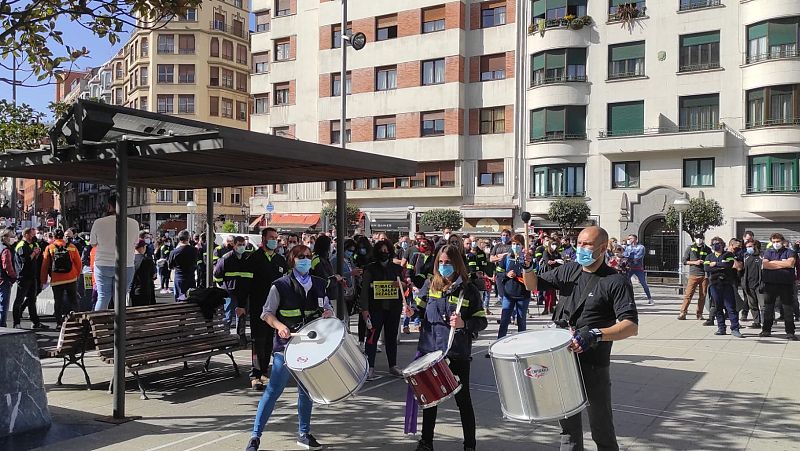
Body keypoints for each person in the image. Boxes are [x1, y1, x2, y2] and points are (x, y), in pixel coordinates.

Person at [523, 226, 638, 451]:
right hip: (561, 360)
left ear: (603, 248)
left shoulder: (615, 280)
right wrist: (528, 267)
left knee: (601, 428)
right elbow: (533, 285)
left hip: (593, 363)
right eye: (579, 243)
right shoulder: (569, 270)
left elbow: (630, 326)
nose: (581, 248)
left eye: (587, 244)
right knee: (568, 430)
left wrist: (595, 334)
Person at [246, 244, 332, 451]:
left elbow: (327, 308)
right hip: (285, 346)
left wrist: (328, 314)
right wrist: (279, 325)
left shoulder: (320, 284)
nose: (305, 259)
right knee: (274, 390)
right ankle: (255, 436)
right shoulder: (280, 285)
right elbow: (266, 313)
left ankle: (304, 434)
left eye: (308, 256)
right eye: (300, 256)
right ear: (292, 260)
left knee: (306, 391)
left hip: (311, 346)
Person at [411, 245, 487, 451]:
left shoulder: (468, 290)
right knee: (430, 402)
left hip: (457, 353)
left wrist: (465, 324)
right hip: (431, 352)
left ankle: (469, 445)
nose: (444, 266)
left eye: (448, 263)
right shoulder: (431, 285)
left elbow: (481, 321)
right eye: (441, 263)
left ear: (457, 264)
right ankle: (426, 442)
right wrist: (411, 312)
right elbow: (419, 308)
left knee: (463, 401)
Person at [247, 227, 287, 390]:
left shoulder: (280, 260)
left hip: (275, 310)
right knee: (258, 340)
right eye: (271, 237)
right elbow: (246, 284)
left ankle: (264, 371)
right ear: (263, 239)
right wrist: (242, 305)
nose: (274, 241)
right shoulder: (254, 258)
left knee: (270, 341)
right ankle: (255, 374)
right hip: (258, 307)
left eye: (276, 238)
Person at [359, 239, 405, 380]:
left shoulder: (397, 269)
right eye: (381, 250)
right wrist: (364, 309)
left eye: (386, 250)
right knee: (372, 338)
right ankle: (370, 367)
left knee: (391, 338)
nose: (384, 253)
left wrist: (401, 284)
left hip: (393, 309)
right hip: (375, 309)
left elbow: (405, 285)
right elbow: (365, 290)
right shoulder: (370, 269)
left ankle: (393, 366)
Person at [90, 195, 139, 310]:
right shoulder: (134, 223)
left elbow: (92, 243)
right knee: (120, 299)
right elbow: (135, 243)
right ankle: (120, 326)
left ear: (109, 206)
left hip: (103, 264)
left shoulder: (98, 222)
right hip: (125, 264)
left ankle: (99, 325)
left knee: (103, 297)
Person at [214, 236, 253, 344]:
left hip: (244, 292)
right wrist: (223, 286)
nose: (241, 247)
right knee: (227, 316)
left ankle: (241, 336)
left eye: (243, 245)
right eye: (239, 245)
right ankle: (224, 338)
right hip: (230, 292)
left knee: (242, 315)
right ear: (234, 245)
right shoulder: (226, 258)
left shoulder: (248, 259)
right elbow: (217, 274)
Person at [40, 229, 82, 327]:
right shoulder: (71, 247)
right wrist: (77, 275)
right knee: (73, 300)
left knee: (58, 301)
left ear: (54, 237)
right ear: (63, 236)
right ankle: (74, 320)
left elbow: (45, 265)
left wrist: (43, 280)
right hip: (71, 278)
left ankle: (59, 323)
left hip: (56, 280)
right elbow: (78, 263)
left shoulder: (50, 248)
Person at [759, 233, 797, 340]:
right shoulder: (768, 252)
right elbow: (765, 265)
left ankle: (790, 332)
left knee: (787, 308)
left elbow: (790, 264)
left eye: (778, 241)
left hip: (786, 284)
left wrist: (773, 263)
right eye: (774, 241)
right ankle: (766, 330)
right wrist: (781, 263)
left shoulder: (790, 252)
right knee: (768, 308)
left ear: (782, 241)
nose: (776, 243)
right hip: (770, 284)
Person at [704, 237, 744, 338]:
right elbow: (706, 268)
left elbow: (729, 265)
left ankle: (735, 329)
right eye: (714, 244)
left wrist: (715, 264)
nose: (716, 245)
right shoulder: (709, 256)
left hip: (726, 284)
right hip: (714, 285)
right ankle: (721, 328)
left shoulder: (728, 255)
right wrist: (720, 266)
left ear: (722, 245)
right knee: (718, 307)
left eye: (718, 243)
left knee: (731, 307)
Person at [495, 234, 531, 342]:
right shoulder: (506, 257)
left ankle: (522, 345)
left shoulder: (526, 258)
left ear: (522, 245)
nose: (515, 246)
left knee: (521, 321)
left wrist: (526, 267)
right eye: (514, 244)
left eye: (518, 244)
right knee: (504, 320)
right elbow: (498, 272)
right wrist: (506, 274)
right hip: (508, 294)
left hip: (523, 295)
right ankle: (499, 344)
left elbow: (533, 274)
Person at [12, 227, 48, 329]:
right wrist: (34, 253)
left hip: (33, 276)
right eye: (32, 234)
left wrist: (37, 253)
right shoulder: (21, 245)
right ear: (26, 235)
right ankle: (16, 322)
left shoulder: (32, 244)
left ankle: (35, 322)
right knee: (19, 300)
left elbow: (35, 259)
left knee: (32, 300)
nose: (34, 236)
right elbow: (25, 260)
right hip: (23, 277)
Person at [678, 233, 711, 320]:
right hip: (693, 274)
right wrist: (694, 262)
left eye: (700, 238)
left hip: (704, 275)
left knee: (703, 295)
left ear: (703, 239)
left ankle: (699, 314)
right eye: (697, 238)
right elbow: (684, 260)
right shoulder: (690, 248)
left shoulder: (707, 249)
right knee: (688, 294)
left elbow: (710, 260)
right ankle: (683, 312)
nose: (699, 240)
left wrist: (704, 262)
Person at [623, 234, 653, 305]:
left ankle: (650, 298)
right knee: (625, 283)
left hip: (638, 268)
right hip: (629, 268)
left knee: (643, 283)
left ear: (636, 239)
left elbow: (638, 256)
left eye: (631, 238)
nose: (629, 240)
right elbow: (625, 255)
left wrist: (629, 256)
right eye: (629, 239)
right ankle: (627, 299)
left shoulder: (641, 247)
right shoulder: (628, 247)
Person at [168, 230, 197, 302]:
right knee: (191, 298)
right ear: (189, 238)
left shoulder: (174, 252)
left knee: (181, 298)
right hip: (191, 277)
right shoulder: (194, 250)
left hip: (179, 278)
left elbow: (170, 266)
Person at [741, 240, 763, 329]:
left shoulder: (761, 256)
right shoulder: (746, 256)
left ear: (755, 246)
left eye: (750, 246)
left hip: (760, 285)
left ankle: (766, 323)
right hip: (749, 285)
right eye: (747, 247)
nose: (748, 248)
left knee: (763, 305)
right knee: (752, 305)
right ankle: (756, 322)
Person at [0, 228, 19, 328]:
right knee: (3, 305)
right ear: (5, 238)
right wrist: (13, 277)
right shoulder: (6, 250)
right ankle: (2, 325)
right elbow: (7, 266)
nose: (13, 238)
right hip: (4, 280)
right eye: (11, 236)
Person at [130, 240, 157, 306]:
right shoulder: (147, 260)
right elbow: (154, 275)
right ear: (143, 247)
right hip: (145, 289)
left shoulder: (130, 260)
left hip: (132, 289)